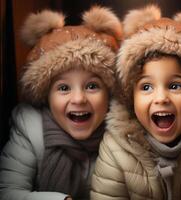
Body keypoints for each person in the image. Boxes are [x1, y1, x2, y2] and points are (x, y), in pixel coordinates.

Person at [90, 5, 181, 200]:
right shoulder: (116, 148)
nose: (160, 98)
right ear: (131, 96)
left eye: (175, 86)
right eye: (146, 87)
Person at [0, 6, 122, 200]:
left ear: (109, 94)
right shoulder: (31, 130)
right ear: (46, 97)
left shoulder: (122, 133)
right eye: (64, 88)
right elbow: (7, 192)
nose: (79, 99)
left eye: (92, 86)